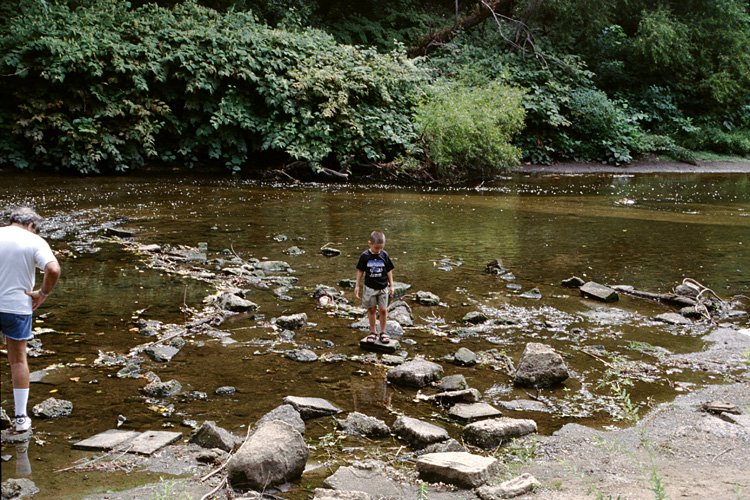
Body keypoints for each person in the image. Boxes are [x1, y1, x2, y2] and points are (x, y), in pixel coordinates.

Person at [0, 207, 61, 433]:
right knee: (17, 360)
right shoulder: (34, 240)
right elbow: (53, 269)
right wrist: (43, 293)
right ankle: (20, 418)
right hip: (16, 307)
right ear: (31, 225)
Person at [354, 230, 395, 344]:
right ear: (369, 243)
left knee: (383, 309)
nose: (378, 251)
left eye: (381, 248)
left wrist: (392, 285)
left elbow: (389, 270)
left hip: (383, 287)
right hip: (370, 288)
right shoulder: (365, 256)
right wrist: (357, 286)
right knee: (372, 309)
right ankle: (372, 332)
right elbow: (360, 271)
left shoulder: (384, 255)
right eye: (376, 248)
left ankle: (382, 331)